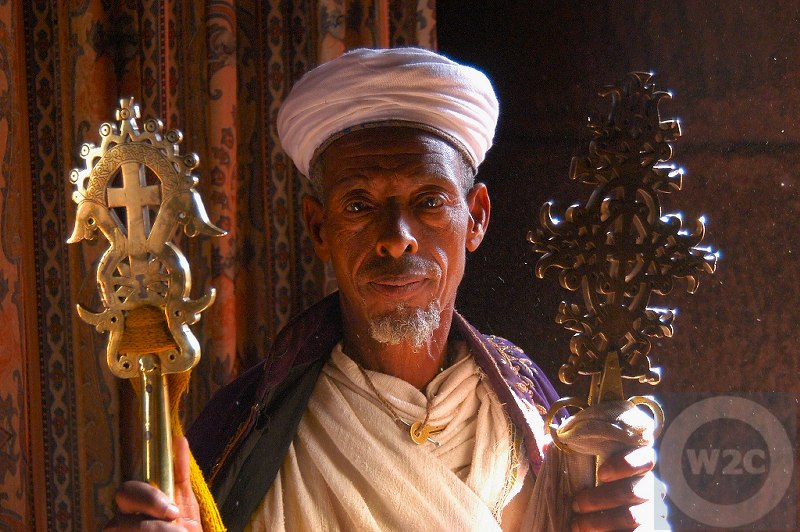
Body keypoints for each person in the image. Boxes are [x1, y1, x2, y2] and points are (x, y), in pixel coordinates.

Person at [108, 48, 664, 531]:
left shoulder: (535, 416)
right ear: (318, 228)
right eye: (358, 205)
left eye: (427, 201)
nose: (395, 240)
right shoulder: (245, 432)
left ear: (475, 218)